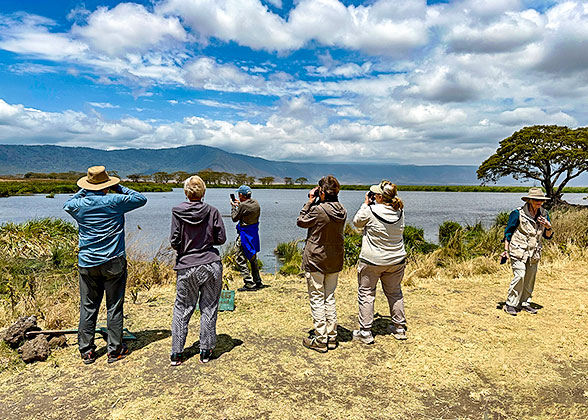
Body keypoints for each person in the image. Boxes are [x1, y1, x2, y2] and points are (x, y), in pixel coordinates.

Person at [63, 166, 147, 364]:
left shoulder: (79, 204)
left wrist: (85, 190)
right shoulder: (115, 200)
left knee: (88, 306)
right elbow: (141, 198)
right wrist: (119, 187)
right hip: (113, 261)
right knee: (114, 306)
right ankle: (114, 350)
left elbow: (67, 204)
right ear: (107, 184)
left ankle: (87, 350)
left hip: (87, 262)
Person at [169, 176, 226, 366]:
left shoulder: (177, 211)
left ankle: (177, 352)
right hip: (211, 263)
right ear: (203, 192)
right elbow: (221, 239)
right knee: (209, 307)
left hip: (186, 265)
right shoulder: (212, 211)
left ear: (186, 192)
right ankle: (206, 350)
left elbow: (174, 240)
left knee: (182, 308)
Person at [352, 180, 408, 343]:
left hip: (372, 261)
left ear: (379, 197)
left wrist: (365, 204)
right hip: (397, 260)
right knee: (395, 293)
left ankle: (365, 332)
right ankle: (399, 328)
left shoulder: (370, 210)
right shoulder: (400, 211)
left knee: (367, 293)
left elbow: (357, 223)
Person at [296, 175, 347, 352]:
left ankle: (320, 338)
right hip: (334, 259)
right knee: (329, 297)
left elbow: (301, 221)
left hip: (316, 259)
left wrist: (310, 202)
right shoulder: (342, 210)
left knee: (317, 298)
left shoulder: (318, 210)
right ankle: (332, 336)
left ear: (322, 192)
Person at [502, 187, 554, 316]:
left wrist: (548, 226)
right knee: (519, 275)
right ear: (529, 200)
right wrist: (506, 251)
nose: (539, 202)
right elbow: (508, 233)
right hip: (518, 250)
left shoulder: (544, 213)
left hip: (534, 252)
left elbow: (548, 235)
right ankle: (511, 304)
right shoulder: (517, 213)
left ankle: (525, 303)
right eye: (536, 199)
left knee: (530, 278)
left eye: (541, 200)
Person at [231, 185, 263, 291]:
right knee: (253, 257)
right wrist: (240, 204)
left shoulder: (242, 206)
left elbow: (234, 218)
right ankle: (257, 281)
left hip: (244, 234)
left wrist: (233, 207)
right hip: (253, 234)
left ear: (241, 195)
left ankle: (249, 282)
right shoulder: (256, 203)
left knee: (239, 257)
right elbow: (247, 207)